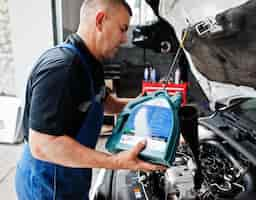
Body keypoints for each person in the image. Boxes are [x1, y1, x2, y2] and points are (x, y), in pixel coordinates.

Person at [15, 0, 166, 199]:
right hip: (47, 185)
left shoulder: (90, 62)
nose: (123, 39)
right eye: (122, 29)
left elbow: (103, 102)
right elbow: (43, 145)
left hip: (73, 175)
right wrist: (115, 162)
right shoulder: (62, 68)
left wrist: (142, 104)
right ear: (101, 20)